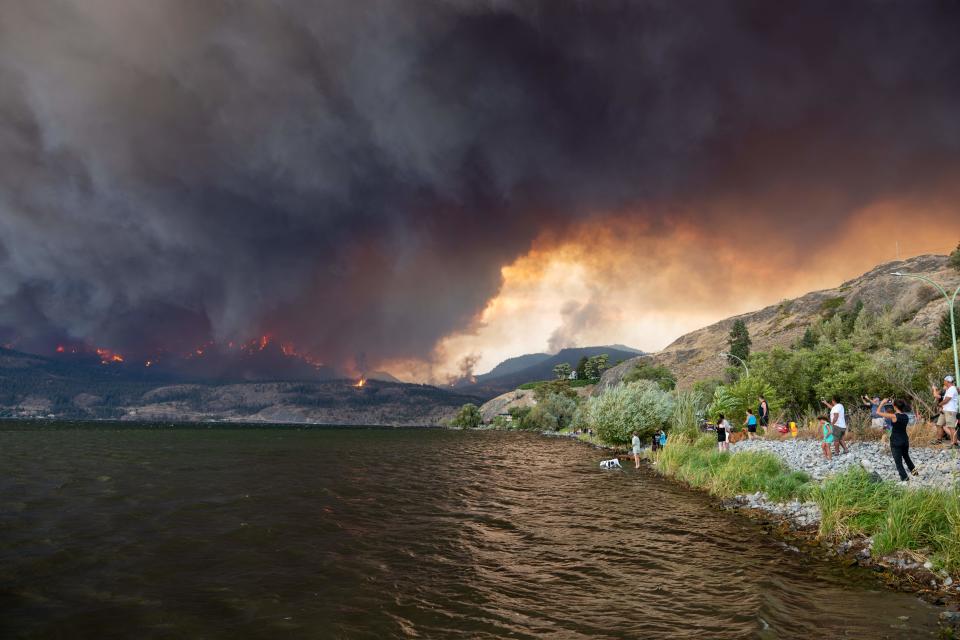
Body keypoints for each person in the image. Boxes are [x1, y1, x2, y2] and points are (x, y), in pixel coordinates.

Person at [876, 398, 918, 481]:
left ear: (895, 406)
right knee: (906, 457)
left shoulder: (894, 416)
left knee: (898, 462)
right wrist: (894, 405)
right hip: (905, 440)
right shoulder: (905, 416)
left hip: (896, 441)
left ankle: (905, 478)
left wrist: (882, 403)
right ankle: (915, 473)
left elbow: (878, 412)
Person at [937, 376, 958, 449]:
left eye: (944, 380)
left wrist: (939, 404)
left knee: (951, 427)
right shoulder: (949, 389)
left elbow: (947, 399)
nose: (944, 382)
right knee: (939, 424)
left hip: (950, 410)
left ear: (948, 381)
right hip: (945, 410)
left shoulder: (952, 389)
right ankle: (939, 440)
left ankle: (954, 443)